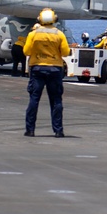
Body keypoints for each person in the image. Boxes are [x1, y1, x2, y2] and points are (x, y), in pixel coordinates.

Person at [23, 8, 70, 138]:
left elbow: (26, 51)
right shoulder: (59, 34)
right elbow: (65, 52)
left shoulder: (33, 34)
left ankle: (30, 130)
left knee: (34, 99)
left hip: (37, 68)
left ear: (39, 19)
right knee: (56, 100)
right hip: (55, 69)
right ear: (54, 19)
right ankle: (58, 131)